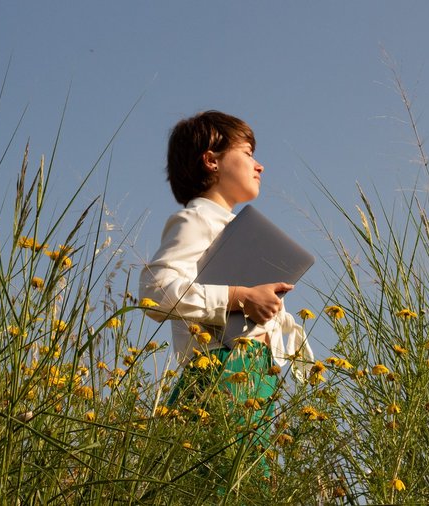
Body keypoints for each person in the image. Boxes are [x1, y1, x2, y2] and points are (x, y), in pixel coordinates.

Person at [138, 110, 312, 490]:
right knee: (209, 487)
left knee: (245, 487)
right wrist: (239, 297)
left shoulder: (240, 232)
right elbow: (155, 289)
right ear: (211, 159)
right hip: (218, 376)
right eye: (248, 153)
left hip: (252, 383)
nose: (260, 165)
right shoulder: (196, 219)